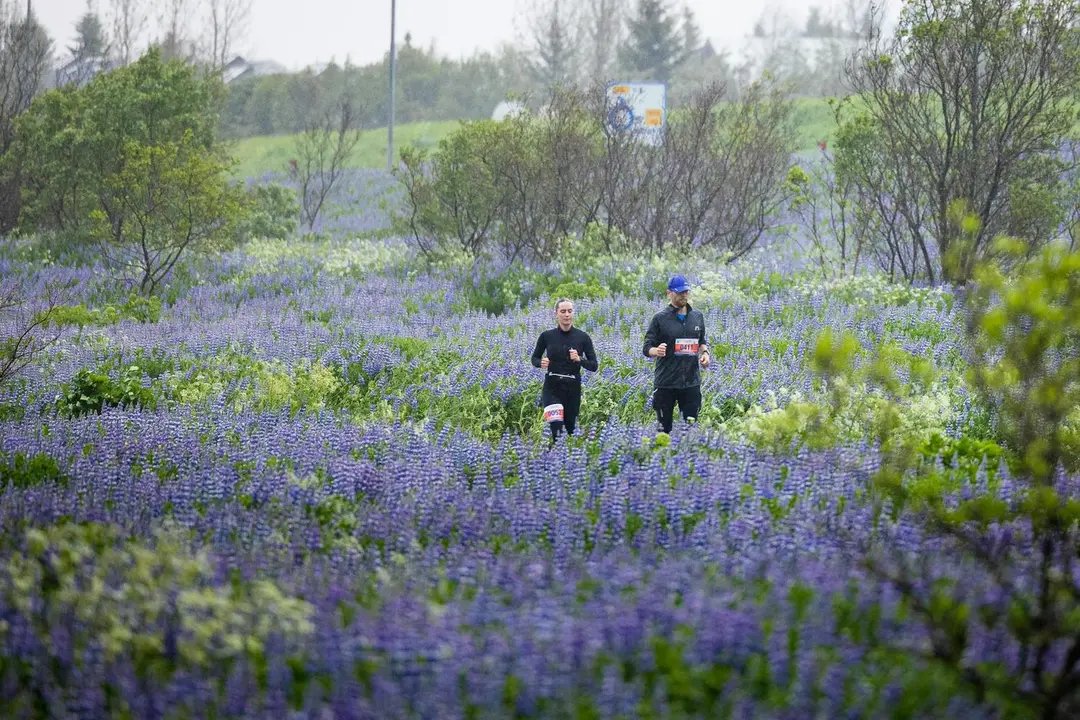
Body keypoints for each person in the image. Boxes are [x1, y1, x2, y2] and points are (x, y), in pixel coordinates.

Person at [642, 274, 710, 433]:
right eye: (679, 292)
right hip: (666, 382)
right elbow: (646, 347)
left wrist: (705, 353)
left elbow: (701, 341)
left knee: (690, 429)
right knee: (663, 430)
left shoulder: (697, 317)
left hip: (691, 382)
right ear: (669, 293)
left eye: (686, 292)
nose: (683, 295)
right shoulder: (660, 319)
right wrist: (656, 351)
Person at [530, 298, 598, 444]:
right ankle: (553, 462)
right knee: (556, 427)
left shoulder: (583, 337)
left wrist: (580, 359)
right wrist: (540, 363)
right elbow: (534, 358)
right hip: (552, 387)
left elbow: (594, 365)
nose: (566, 314)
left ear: (573, 313)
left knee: (569, 430)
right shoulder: (546, 336)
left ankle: (558, 460)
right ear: (556, 313)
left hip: (572, 387)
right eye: (563, 311)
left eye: (569, 311)